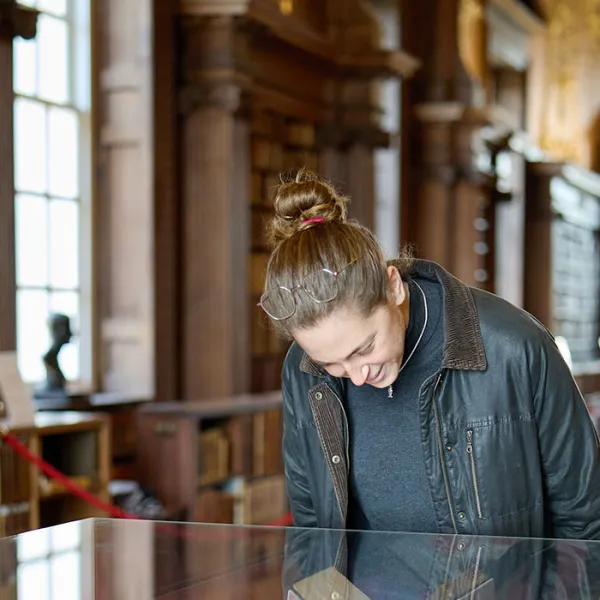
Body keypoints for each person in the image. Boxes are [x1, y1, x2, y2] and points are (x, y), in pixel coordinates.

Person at [259, 170, 600, 541]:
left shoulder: (514, 346)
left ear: (393, 288)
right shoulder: (302, 368)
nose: (356, 377)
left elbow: (586, 521)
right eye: (332, 364)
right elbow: (312, 526)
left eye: (365, 348)